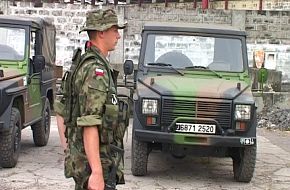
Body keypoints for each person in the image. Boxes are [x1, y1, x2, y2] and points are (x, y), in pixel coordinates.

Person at [54, 9, 127, 190]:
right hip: (94, 163)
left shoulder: (83, 64)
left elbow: (61, 109)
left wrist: (70, 150)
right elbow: (90, 123)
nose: (118, 35)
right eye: (115, 30)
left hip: (85, 160)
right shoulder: (96, 71)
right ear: (101, 32)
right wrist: (96, 172)